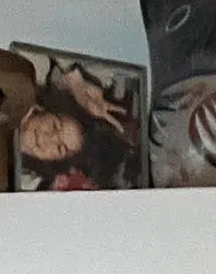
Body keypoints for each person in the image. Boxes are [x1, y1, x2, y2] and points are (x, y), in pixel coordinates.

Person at [20, 60, 141, 190]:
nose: (50, 138)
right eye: (55, 125)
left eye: (60, 148)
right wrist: (76, 83)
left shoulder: (23, 184)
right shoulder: (28, 71)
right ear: (45, 109)